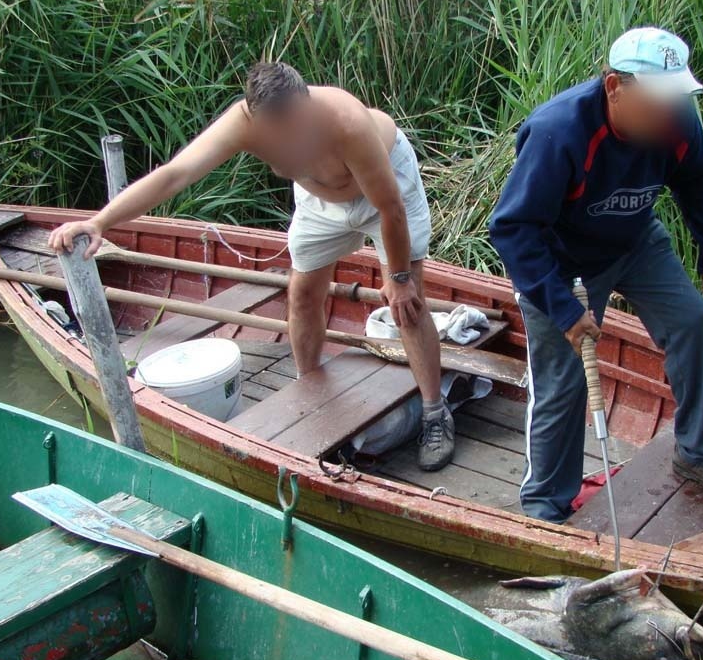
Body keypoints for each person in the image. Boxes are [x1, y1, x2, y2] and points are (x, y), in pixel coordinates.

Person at [48, 61, 455, 471]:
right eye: (278, 134)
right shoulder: (243, 124)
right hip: (319, 200)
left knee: (407, 304)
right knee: (302, 293)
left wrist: (400, 280)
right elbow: (174, 175)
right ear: (257, 118)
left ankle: (436, 413)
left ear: (306, 104)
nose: (289, 142)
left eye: (297, 128)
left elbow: (391, 209)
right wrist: (100, 220)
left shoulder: (347, 122)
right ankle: (309, 393)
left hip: (383, 193)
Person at [489, 27, 703, 523]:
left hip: (633, 241)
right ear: (614, 87)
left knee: (692, 321)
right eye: (658, 101)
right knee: (563, 379)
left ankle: (702, 453)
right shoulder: (559, 132)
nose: (670, 113)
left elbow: (699, 175)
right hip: (558, 260)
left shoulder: (677, 123)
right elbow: (514, 229)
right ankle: (544, 505)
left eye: (677, 99)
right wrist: (565, 310)